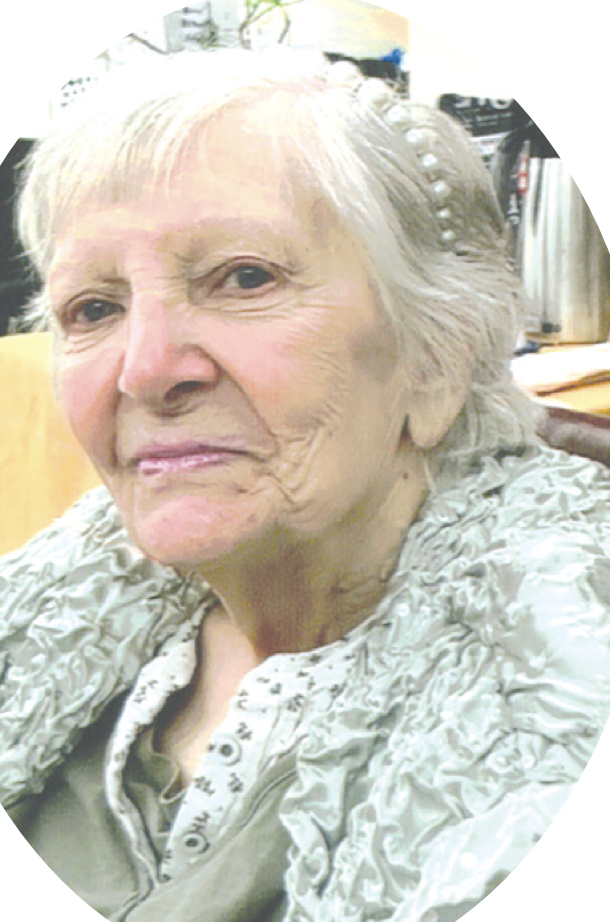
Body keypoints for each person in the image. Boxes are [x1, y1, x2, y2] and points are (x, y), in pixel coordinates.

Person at [2, 49, 610, 922]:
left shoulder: (560, 688)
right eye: (93, 309)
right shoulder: (47, 607)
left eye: (245, 277)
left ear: (437, 354)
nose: (143, 371)